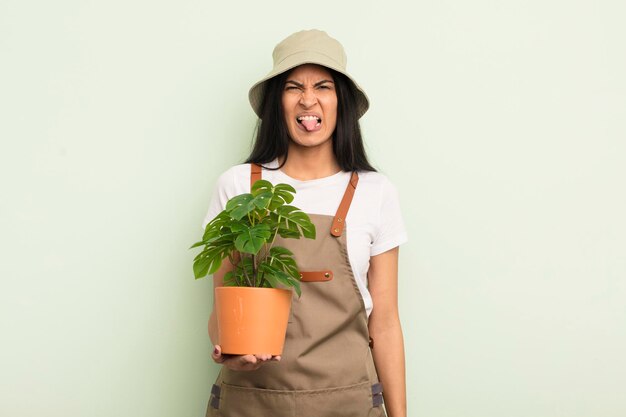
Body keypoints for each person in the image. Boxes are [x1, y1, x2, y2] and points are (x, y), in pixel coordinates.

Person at [202, 29, 408, 417]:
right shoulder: (238, 185)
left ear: (340, 102)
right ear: (277, 103)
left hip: (348, 401)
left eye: (323, 86)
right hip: (252, 401)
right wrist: (228, 350)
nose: (308, 99)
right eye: (293, 87)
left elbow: (384, 323)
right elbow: (221, 304)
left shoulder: (376, 191)